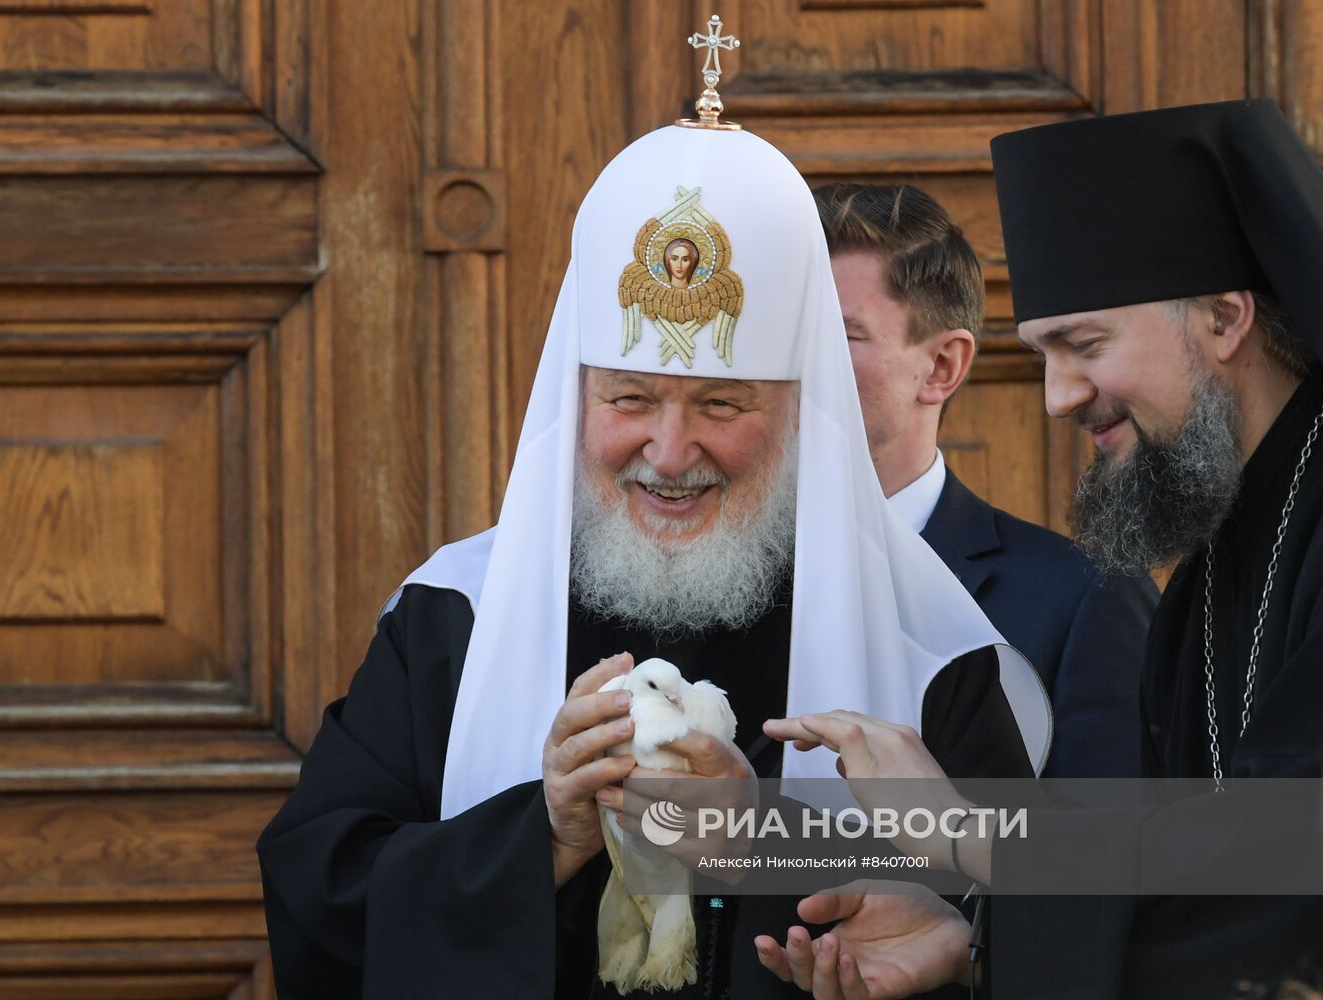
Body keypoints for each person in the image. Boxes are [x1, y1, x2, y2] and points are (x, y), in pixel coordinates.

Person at [256, 114, 1052, 997]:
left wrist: (764, 842)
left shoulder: (935, 654)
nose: (669, 454)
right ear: (579, 394)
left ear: (799, 413)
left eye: (721, 406)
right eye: (630, 397)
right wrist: (543, 838)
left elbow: (1038, 931)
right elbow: (317, 892)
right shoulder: (456, 616)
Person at [759, 99, 1323, 999]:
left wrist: (959, 832)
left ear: (1222, 317)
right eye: (1042, 353)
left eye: (1083, 345)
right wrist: (971, 940)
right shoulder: (1215, 562)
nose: (1057, 396)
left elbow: (1291, 847)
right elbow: (1194, 913)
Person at [814, 182, 1159, 779]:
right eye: (786, 337)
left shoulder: (1082, 602)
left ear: (941, 367)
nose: (794, 365)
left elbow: (1122, 859)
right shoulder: (704, 582)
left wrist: (949, 866)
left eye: (836, 336)